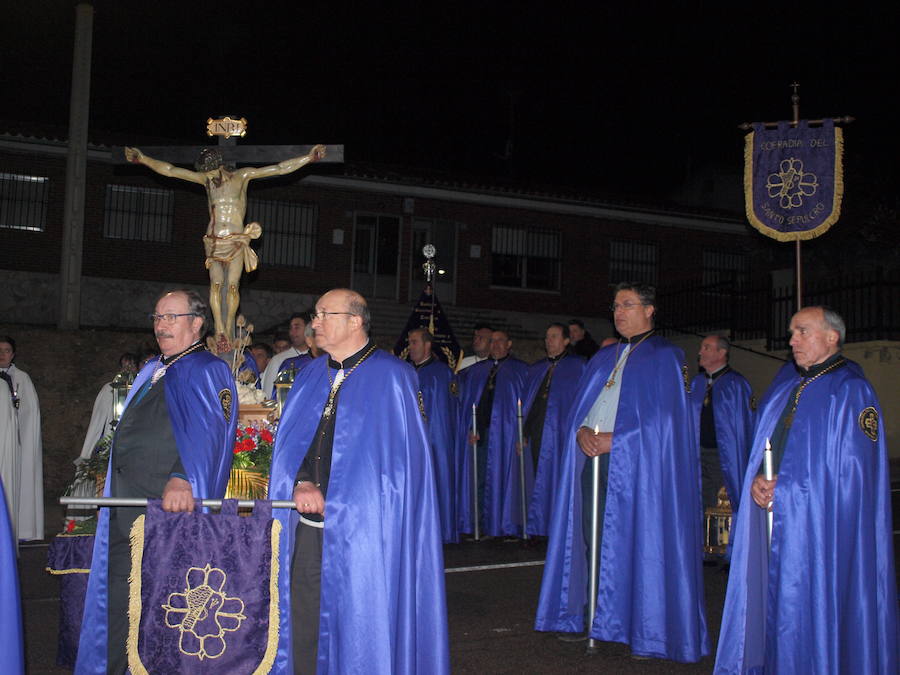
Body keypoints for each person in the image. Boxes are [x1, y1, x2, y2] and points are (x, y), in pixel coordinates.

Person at [268, 289, 449, 674]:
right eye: (315, 314)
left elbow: (405, 466)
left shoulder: (393, 376)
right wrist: (300, 481)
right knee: (303, 619)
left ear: (355, 321)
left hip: (367, 533)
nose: (315, 323)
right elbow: (291, 445)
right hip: (308, 526)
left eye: (324, 314)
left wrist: (351, 499)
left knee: (360, 625)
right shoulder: (309, 374)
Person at [715, 306, 897, 674]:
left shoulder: (850, 389)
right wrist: (756, 479)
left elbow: (854, 470)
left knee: (810, 600)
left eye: (802, 331)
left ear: (832, 337)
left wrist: (789, 489)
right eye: (791, 332)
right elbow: (769, 446)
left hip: (821, 525)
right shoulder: (791, 387)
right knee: (778, 600)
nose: (792, 340)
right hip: (779, 513)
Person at [536, 283, 709, 662]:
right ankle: (595, 616)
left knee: (638, 540)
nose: (619, 312)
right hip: (592, 459)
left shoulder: (667, 356)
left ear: (649, 310)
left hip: (637, 467)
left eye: (628, 305)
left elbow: (670, 422)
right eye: (615, 306)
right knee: (591, 538)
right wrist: (582, 430)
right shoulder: (604, 357)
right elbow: (582, 407)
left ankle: (643, 626)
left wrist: (618, 440)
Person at [76, 290, 238, 675]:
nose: (161, 325)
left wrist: (183, 477)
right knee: (120, 597)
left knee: (160, 598)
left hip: (163, 505)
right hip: (126, 502)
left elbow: (212, 432)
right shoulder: (153, 369)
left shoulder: (207, 368)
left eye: (171, 317)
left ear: (197, 323)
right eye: (157, 317)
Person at [125, 144, 325, 341]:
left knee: (232, 286)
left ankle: (229, 327)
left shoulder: (242, 176)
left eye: (208, 168)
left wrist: (309, 158)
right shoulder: (206, 180)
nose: (207, 173)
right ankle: (219, 327)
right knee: (216, 284)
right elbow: (171, 171)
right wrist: (142, 159)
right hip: (213, 241)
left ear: (216, 163)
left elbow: (279, 169)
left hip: (235, 239)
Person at [455, 330, 529, 538]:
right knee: (478, 479)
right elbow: (466, 403)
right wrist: (470, 427)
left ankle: (504, 524)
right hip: (479, 433)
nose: (495, 344)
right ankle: (477, 524)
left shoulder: (521, 371)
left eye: (500, 341)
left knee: (505, 478)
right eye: (492, 341)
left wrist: (521, 434)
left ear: (509, 344)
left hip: (506, 436)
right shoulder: (475, 371)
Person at [521, 323, 585, 537]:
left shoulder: (578, 366)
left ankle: (559, 528)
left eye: (554, 336)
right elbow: (528, 404)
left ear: (566, 340)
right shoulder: (536, 368)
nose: (548, 341)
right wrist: (523, 433)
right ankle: (538, 526)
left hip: (562, 435)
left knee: (559, 479)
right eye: (547, 337)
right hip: (537, 431)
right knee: (537, 478)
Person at [690, 335, 753, 538]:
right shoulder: (697, 383)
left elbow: (744, 424)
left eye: (706, 347)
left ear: (721, 352)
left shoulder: (736, 384)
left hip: (723, 456)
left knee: (722, 500)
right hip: (698, 453)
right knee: (701, 498)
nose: (700, 352)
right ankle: (703, 543)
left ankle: (724, 544)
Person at [408, 327, 458, 543]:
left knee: (438, 481)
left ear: (427, 345)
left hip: (435, 439)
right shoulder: (406, 372)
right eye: (409, 342)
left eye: (414, 342)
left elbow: (447, 411)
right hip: (410, 440)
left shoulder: (442, 373)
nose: (410, 347)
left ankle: (439, 531)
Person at [0, 336, 43, 542]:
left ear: (13, 354)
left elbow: (29, 412)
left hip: (13, 443)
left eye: (6, 350)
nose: (2, 354)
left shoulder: (21, 378)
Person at [261, 312, 312, 396]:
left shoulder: (318, 357)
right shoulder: (278, 360)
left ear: (308, 329)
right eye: (290, 328)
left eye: (297, 327)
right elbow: (268, 394)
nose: (292, 332)